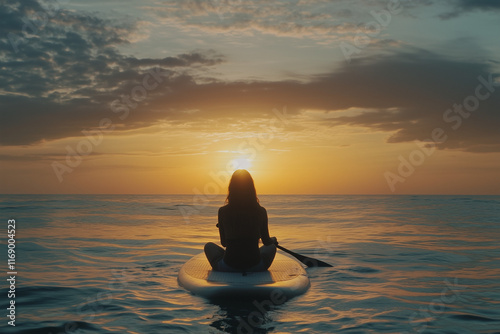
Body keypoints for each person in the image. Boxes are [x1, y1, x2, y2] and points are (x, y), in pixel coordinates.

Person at [204, 169, 278, 272]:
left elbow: (224, 243)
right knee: (272, 247)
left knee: (209, 246)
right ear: (251, 189)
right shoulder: (260, 211)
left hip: (229, 266)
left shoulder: (223, 211)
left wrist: (225, 228)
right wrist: (273, 240)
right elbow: (266, 242)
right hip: (255, 266)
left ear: (231, 188)